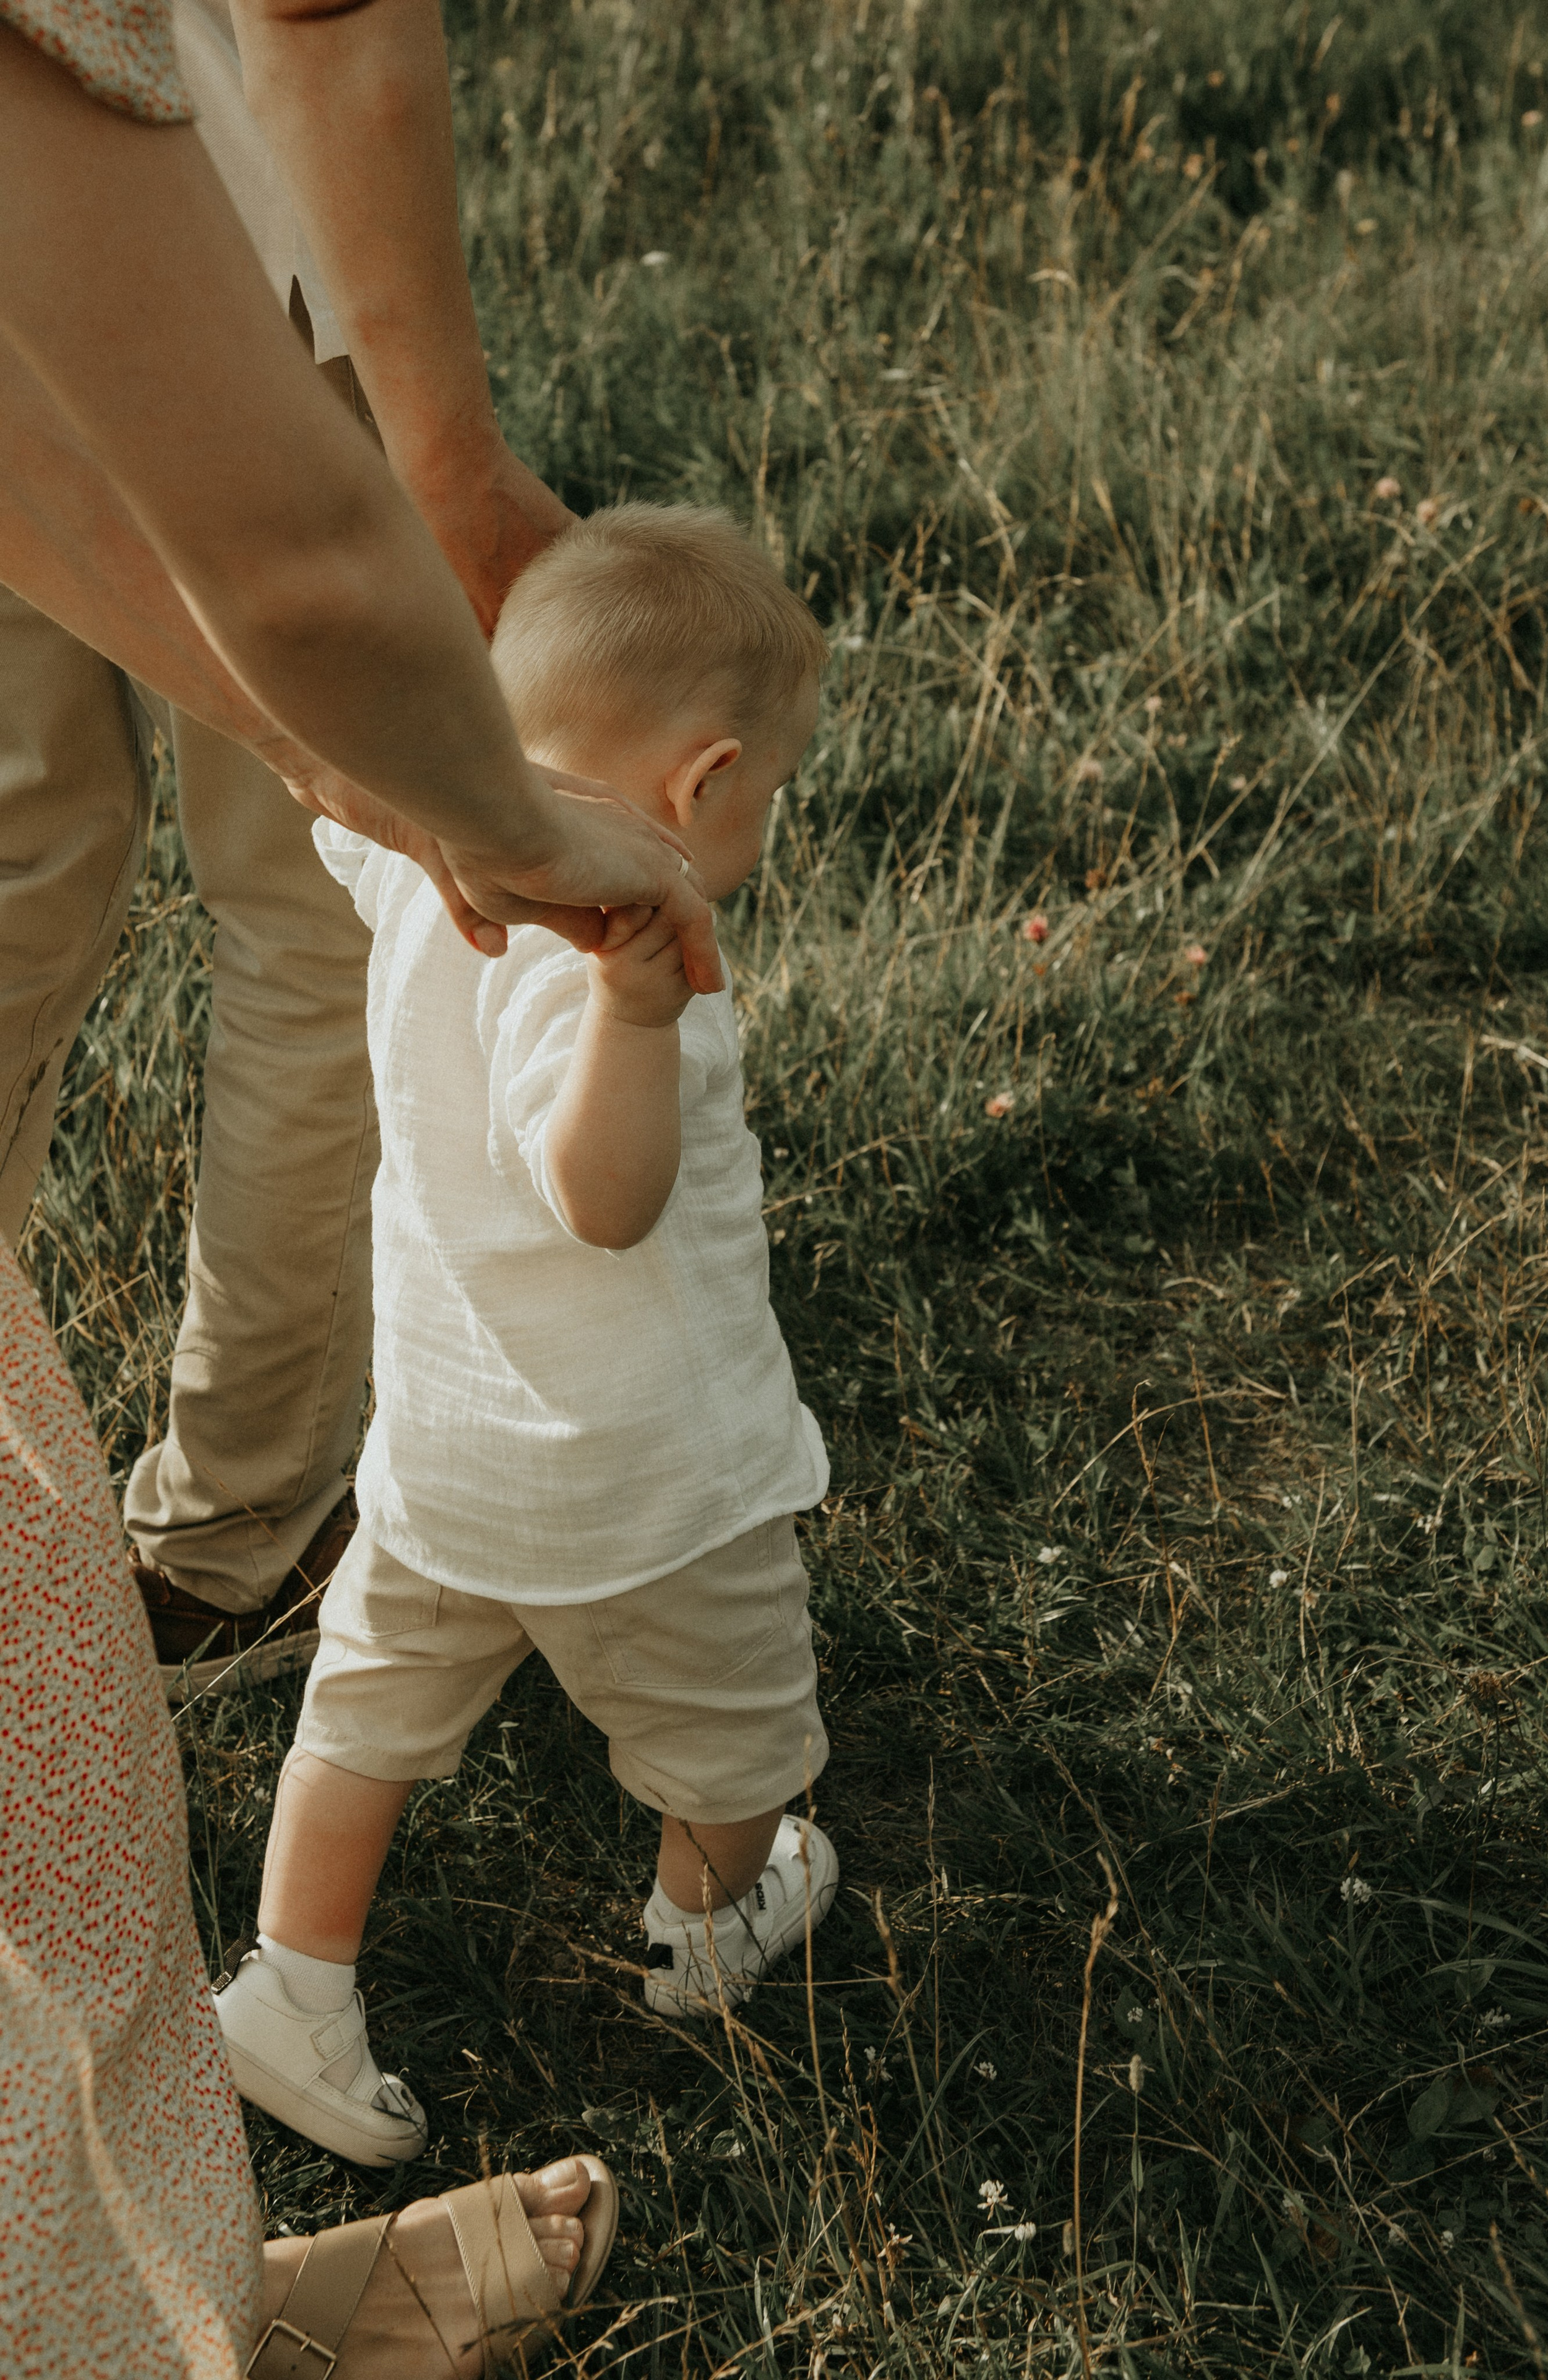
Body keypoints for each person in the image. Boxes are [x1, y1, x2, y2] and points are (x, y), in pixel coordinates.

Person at [0, 6, 725, 2369]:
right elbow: (295, 548)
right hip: (237, 378)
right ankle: (141, 2324)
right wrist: (518, 828)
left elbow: (36, 479)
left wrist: (374, 780)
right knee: (57, 1799)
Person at [213, 506, 840, 2167]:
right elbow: (603, 1197)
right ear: (703, 786)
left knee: (365, 1718)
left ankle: (294, 1985)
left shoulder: (425, 850)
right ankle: (706, 1930)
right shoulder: (624, 953)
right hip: (651, 1486)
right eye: (765, 795)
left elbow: (317, 777)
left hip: (438, 1450)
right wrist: (642, 1013)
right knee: (736, 1725)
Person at [0, 0, 580, 1699]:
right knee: (314, 917)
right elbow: (324, 14)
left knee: (16, 868)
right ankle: (232, 1540)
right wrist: (451, 464)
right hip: (225, 239)